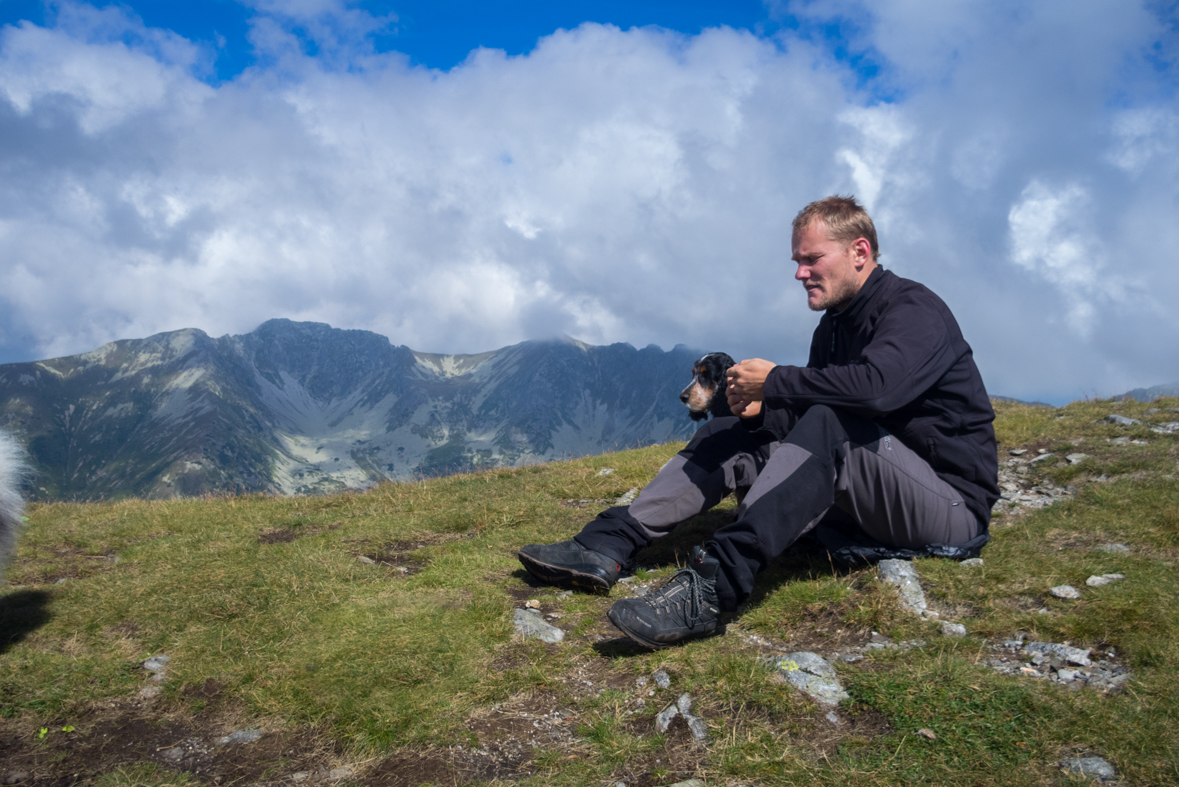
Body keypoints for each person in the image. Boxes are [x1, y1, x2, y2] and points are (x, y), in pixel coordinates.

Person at [518, 195, 999, 650]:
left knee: (832, 424)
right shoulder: (833, 326)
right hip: (873, 494)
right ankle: (607, 544)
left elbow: (876, 390)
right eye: (796, 261)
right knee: (733, 432)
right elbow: (817, 407)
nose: (799, 273)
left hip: (949, 507)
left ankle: (710, 589)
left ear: (859, 251)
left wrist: (777, 381)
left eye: (811, 259)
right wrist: (762, 411)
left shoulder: (913, 310)